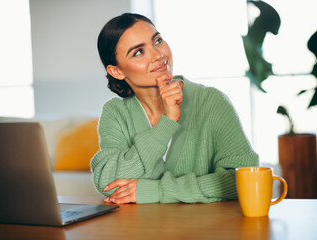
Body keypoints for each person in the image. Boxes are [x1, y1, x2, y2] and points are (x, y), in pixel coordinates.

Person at [91, 13, 259, 204]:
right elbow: (108, 183)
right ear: (117, 71)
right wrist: (166, 124)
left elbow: (244, 179)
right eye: (138, 52)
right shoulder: (115, 113)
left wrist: (158, 190)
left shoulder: (211, 100)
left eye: (158, 41)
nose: (158, 55)